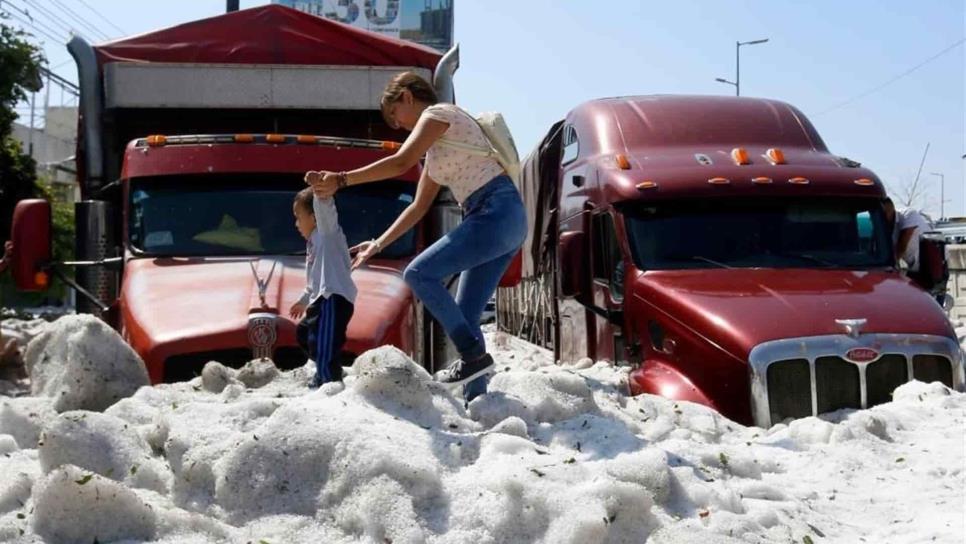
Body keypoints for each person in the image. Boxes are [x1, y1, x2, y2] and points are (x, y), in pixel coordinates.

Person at [305, 71, 527, 393]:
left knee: (418, 273)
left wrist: (341, 179)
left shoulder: (439, 113)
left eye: (396, 115)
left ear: (408, 96)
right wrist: (378, 244)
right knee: (465, 316)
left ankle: (473, 356)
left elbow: (399, 162)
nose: (400, 127)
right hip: (502, 219)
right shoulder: (437, 154)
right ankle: (477, 401)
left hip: (495, 211)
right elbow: (417, 208)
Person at [290, 188, 357, 388]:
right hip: (319, 298)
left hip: (333, 297)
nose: (296, 224)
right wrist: (303, 300)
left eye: (298, 217)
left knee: (324, 341)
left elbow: (326, 210)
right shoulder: (312, 243)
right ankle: (330, 367)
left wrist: (321, 191)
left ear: (314, 217)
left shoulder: (327, 234)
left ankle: (327, 379)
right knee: (305, 333)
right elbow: (313, 280)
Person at [882, 197, 933, 271]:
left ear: (891, 208)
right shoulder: (885, 228)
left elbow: (902, 245)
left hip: (932, 264)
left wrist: (889, 266)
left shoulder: (908, 214)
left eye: (883, 213)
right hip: (914, 267)